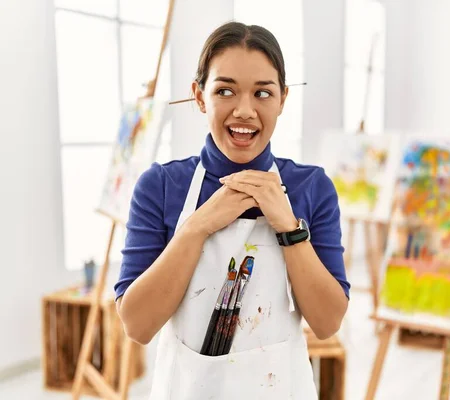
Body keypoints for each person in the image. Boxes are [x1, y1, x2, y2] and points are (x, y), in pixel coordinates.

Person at [115, 21, 350, 399]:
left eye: (262, 93)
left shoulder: (311, 187)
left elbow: (326, 323)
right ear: (199, 95)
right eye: (225, 90)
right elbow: (138, 326)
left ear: (283, 99)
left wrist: (289, 227)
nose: (244, 110)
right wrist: (196, 227)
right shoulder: (160, 186)